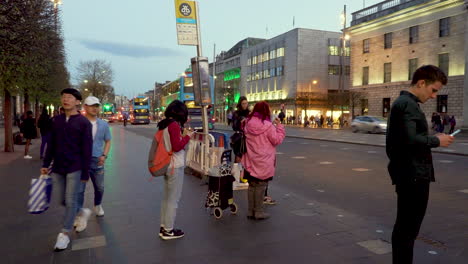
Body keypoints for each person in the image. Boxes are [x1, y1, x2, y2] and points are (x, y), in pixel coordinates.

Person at [386, 65, 454, 264]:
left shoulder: (405, 103)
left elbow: (409, 137)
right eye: (433, 90)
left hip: (409, 173)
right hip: (413, 175)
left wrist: (434, 138)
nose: (434, 96)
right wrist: (436, 141)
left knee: (405, 229)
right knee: (407, 230)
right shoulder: (407, 104)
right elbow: (410, 139)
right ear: (421, 83)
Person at [41, 88, 92, 251]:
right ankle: (82, 211)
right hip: (58, 168)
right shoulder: (56, 120)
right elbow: (51, 144)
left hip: (75, 167)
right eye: (63, 97)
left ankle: (64, 235)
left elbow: (87, 149)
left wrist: (85, 172)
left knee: (70, 201)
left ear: (77, 102)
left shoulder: (83, 123)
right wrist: (45, 164)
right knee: (62, 201)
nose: (65, 99)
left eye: (69, 97)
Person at [242, 101, 285, 220]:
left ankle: (251, 211)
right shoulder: (268, 126)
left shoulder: (248, 123)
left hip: (251, 158)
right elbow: (276, 140)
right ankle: (259, 212)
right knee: (261, 185)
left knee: (251, 185)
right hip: (264, 160)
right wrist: (279, 127)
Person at [156, 100, 193, 240]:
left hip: (166, 164)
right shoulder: (174, 125)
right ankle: (169, 230)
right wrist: (188, 136)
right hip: (174, 166)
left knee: (166, 198)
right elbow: (177, 147)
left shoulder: (164, 124)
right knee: (173, 199)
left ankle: (163, 227)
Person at [75, 96, 112, 232]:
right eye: (91, 105)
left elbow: (108, 141)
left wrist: (104, 155)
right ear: (85, 107)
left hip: (97, 160)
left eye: (97, 105)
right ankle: (79, 217)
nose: (95, 108)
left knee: (100, 187)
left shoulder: (103, 124)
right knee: (80, 191)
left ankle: (97, 204)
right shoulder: (79, 123)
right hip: (81, 161)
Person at [231, 96, 250, 163]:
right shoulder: (236, 113)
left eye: (246, 103)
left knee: (247, 157)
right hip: (239, 138)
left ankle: (245, 172)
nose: (245, 105)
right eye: (243, 103)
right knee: (238, 156)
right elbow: (234, 127)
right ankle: (236, 171)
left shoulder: (249, 113)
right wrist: (241, 122)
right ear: (240, 104)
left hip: (248, 137)